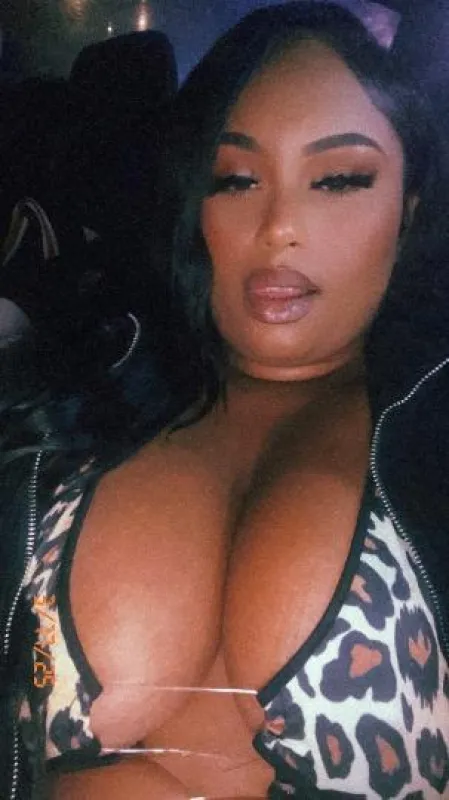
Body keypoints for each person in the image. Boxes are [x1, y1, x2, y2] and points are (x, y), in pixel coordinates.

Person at [5, 2, 449, 798]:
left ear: (407, 208)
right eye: (237, 179)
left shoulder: (435, 432)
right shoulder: (75, 397)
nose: (278, 227)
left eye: (337, 179)